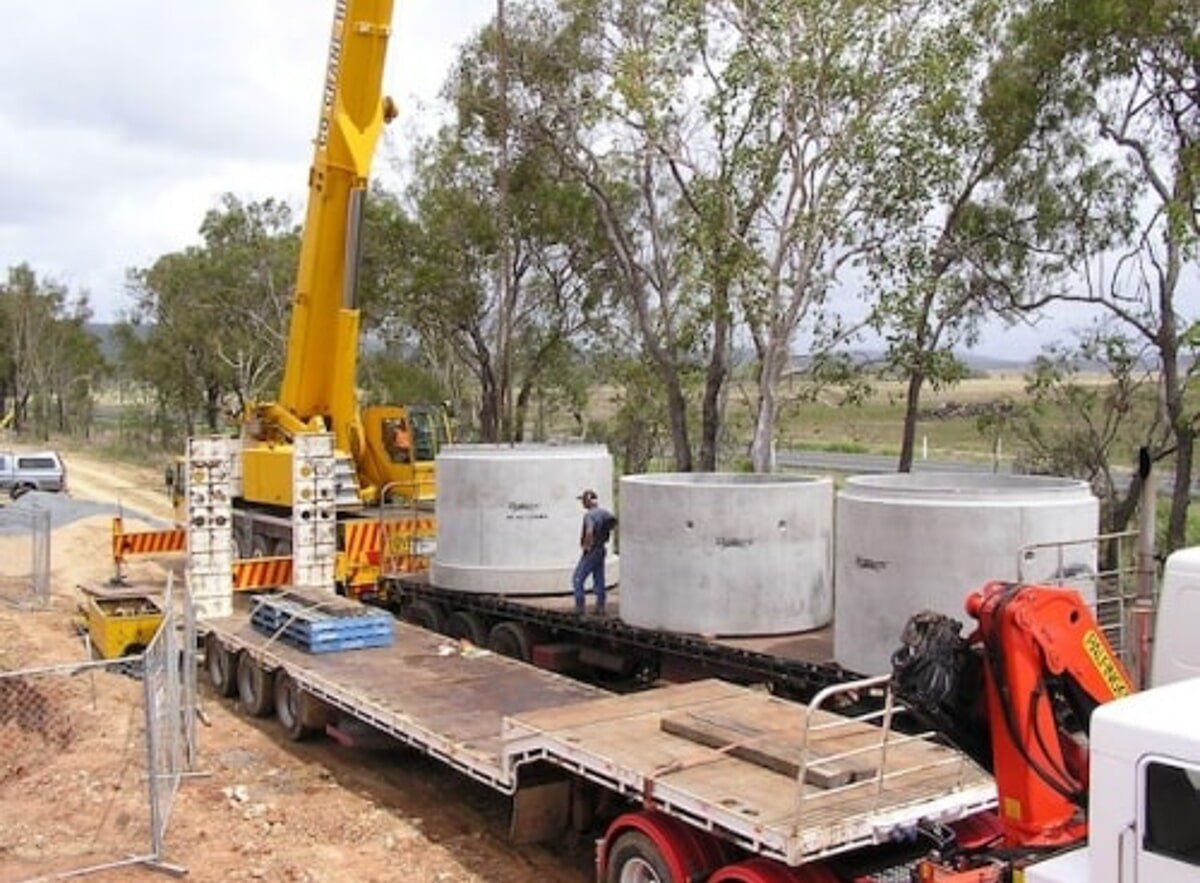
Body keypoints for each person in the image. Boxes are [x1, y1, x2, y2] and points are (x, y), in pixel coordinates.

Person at [572, 488, 615, 615]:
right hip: (601, 549)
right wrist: (603, 534)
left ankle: (579, 607)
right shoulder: (604, 513)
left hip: (592, 550)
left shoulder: (589, 515)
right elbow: (613, 522)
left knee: (577, 579)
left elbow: (589, 531)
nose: (582, 503)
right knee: (599, 577)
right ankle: (600, 607)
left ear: (588, 501)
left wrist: (586, 546)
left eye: (583, 500)